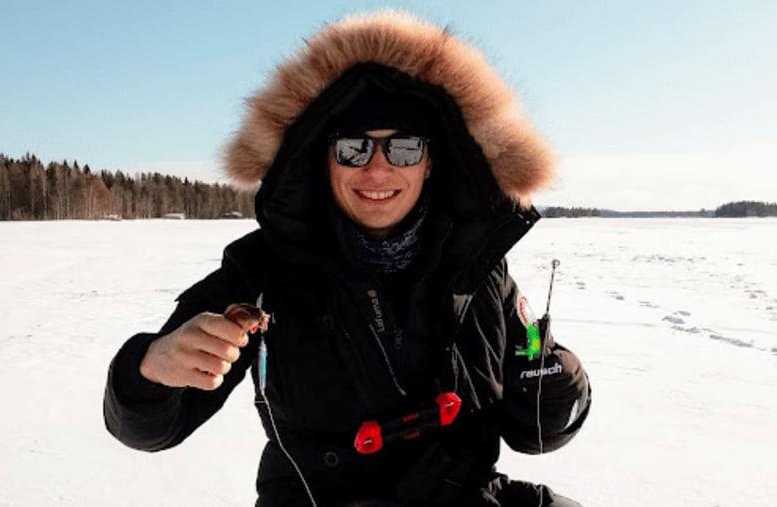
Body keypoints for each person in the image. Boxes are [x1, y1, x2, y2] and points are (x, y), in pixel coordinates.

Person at [104, 10, 591, 507]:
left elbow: (536, 433)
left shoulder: (482, 269)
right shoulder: (264, 269)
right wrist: (152, 369)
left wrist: (554, 383)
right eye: (354, 149)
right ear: (324, 159)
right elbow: (147, 430)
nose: (377, 170)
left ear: (430, 163)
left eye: (402, 149)